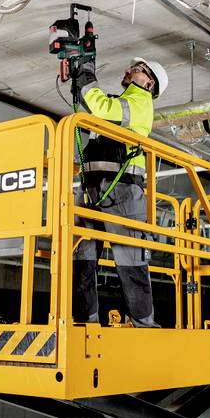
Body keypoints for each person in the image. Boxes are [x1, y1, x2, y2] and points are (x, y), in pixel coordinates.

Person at [68, 56, 169, 327]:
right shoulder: (120, 104)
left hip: (122, 190)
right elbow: (95, 104)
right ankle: (84, 322)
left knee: (130, 261)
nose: (128, 71)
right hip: (91, 188)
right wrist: (79, 76)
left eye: (136, 69)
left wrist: (87, 72)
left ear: (149, 83)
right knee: (82, 258)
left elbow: (99, 107)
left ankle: (143, 325)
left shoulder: (139, 103)